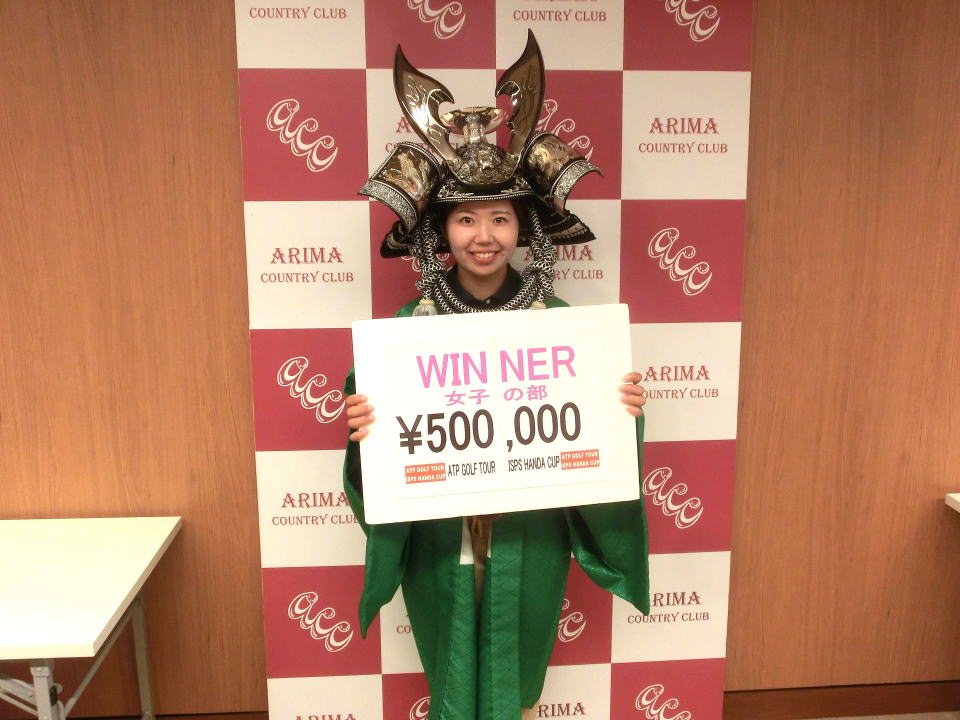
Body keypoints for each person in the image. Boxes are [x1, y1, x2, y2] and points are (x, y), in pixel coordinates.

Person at [343, 33, 650, 720]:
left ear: (524, 228)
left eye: (500, 219)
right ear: (440, 232)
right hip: (438, 528)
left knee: (519, 668)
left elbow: (593, 436)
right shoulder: (406, 331)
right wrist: (364, 429)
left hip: (530, 528)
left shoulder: (562, 326)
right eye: (466, 220)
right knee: (451, 668)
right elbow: (377, 454)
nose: (484, 236)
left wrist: (620, 409)